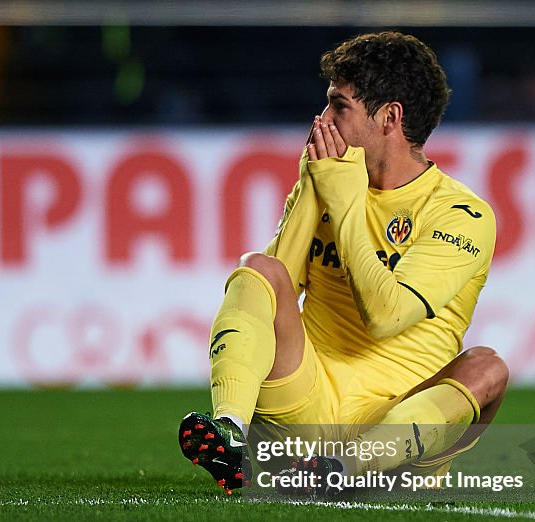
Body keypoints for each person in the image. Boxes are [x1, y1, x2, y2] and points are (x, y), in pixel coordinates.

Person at [179, 31, 508, 496]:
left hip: (393, 436)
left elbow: (385, 316)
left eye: (339, 106)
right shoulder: (329, 177)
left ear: (390, 116)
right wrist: (313, 185)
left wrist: (345, 202)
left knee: (486, 367)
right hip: (302, 407)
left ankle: (339, 471)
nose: (322, 121)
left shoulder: (460, 214)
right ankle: (230, 432)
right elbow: (278, 284)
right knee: (259, 267)